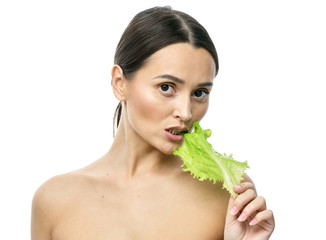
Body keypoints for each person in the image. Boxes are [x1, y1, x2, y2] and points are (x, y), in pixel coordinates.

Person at [31, 6, 275, 239]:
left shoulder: (229, 193)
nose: (186, 112)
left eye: (199, 92)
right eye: (166, 87)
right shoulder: (55, 200)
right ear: (119, 83)